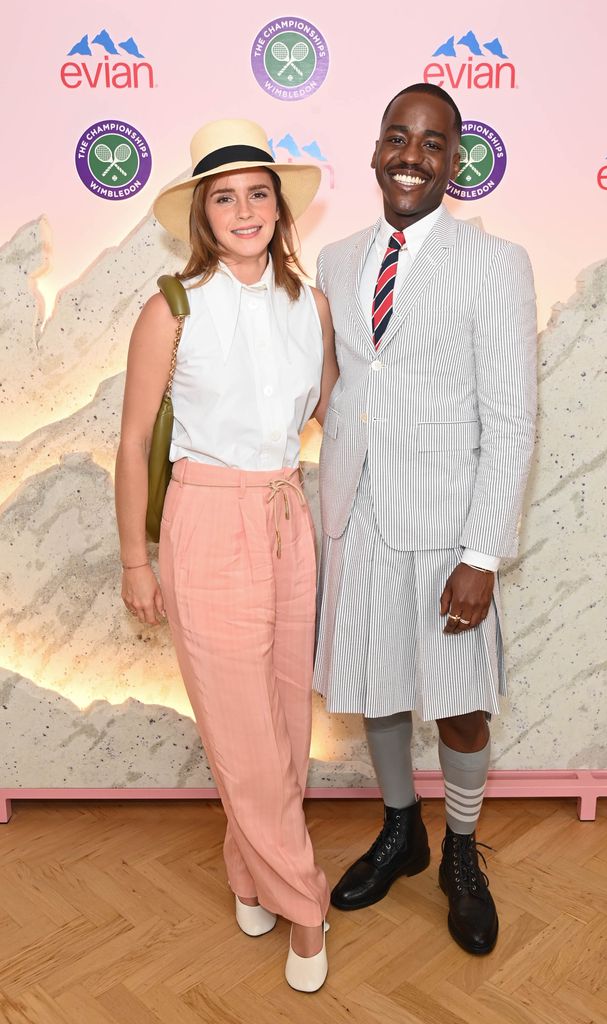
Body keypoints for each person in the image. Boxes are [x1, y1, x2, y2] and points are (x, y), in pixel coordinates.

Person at [114, 119, 339, 992]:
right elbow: (134, 443)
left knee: (282, 725)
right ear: (201, 215)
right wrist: (137, 560)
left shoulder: (308, 306)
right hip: (205, 524)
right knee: (241, 734)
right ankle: (306, 906)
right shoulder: (170, 305)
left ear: (277, 208)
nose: (244, 210)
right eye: (224, 196)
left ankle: (250, 873)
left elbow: (330, 415)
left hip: (288, 515)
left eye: (257, 193)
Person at [313, 84, 537, 955]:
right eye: (397, 137)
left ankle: (460, 851)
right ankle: (401, 829)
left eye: (433, 142)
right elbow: (341, 386)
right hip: (354, 513)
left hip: (448, 525)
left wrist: (481, 553)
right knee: (371, 687)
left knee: (458, 707)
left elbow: (511, 419)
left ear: (455, 161)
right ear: (375, 150)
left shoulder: (496, 263)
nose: (412, 155)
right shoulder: (335, 259)